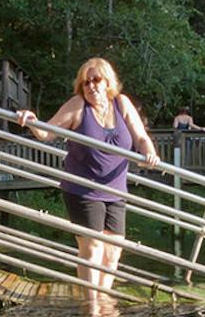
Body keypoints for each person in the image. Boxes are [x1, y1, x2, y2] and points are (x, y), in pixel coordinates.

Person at [14, 59, 161, 291]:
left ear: (107, 82)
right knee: (92, 247)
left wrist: (150, 154)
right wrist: (31, 120)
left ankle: (102, 299)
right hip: (82, 188)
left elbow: (141, 137)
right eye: (85, 82)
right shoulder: (78, 105)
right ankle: (91, 305)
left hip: (115, 190)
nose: (91, 86)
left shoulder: (121, 104)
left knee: (112, 252)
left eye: (96, 80)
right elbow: (46, 133)